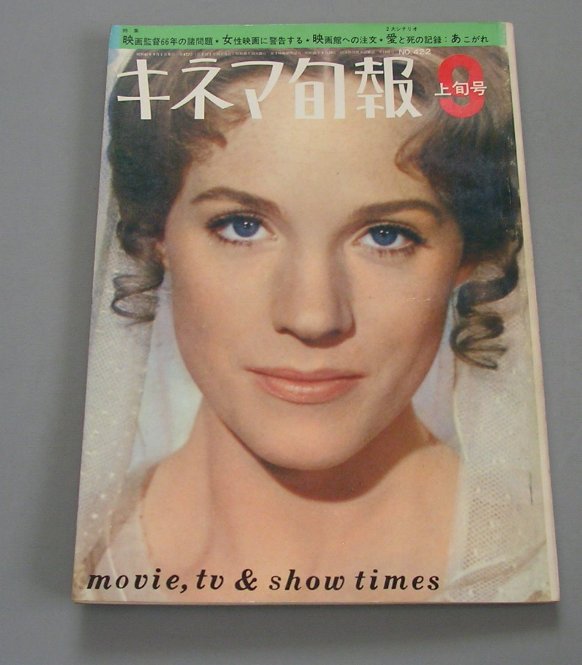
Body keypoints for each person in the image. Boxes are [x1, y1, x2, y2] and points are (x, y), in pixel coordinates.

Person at [74, 47, 554, 603]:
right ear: (155, 235)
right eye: (242, 226)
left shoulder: (530, 574)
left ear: (468, 256)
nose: (313, 316)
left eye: (387, 235)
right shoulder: (88, 559)